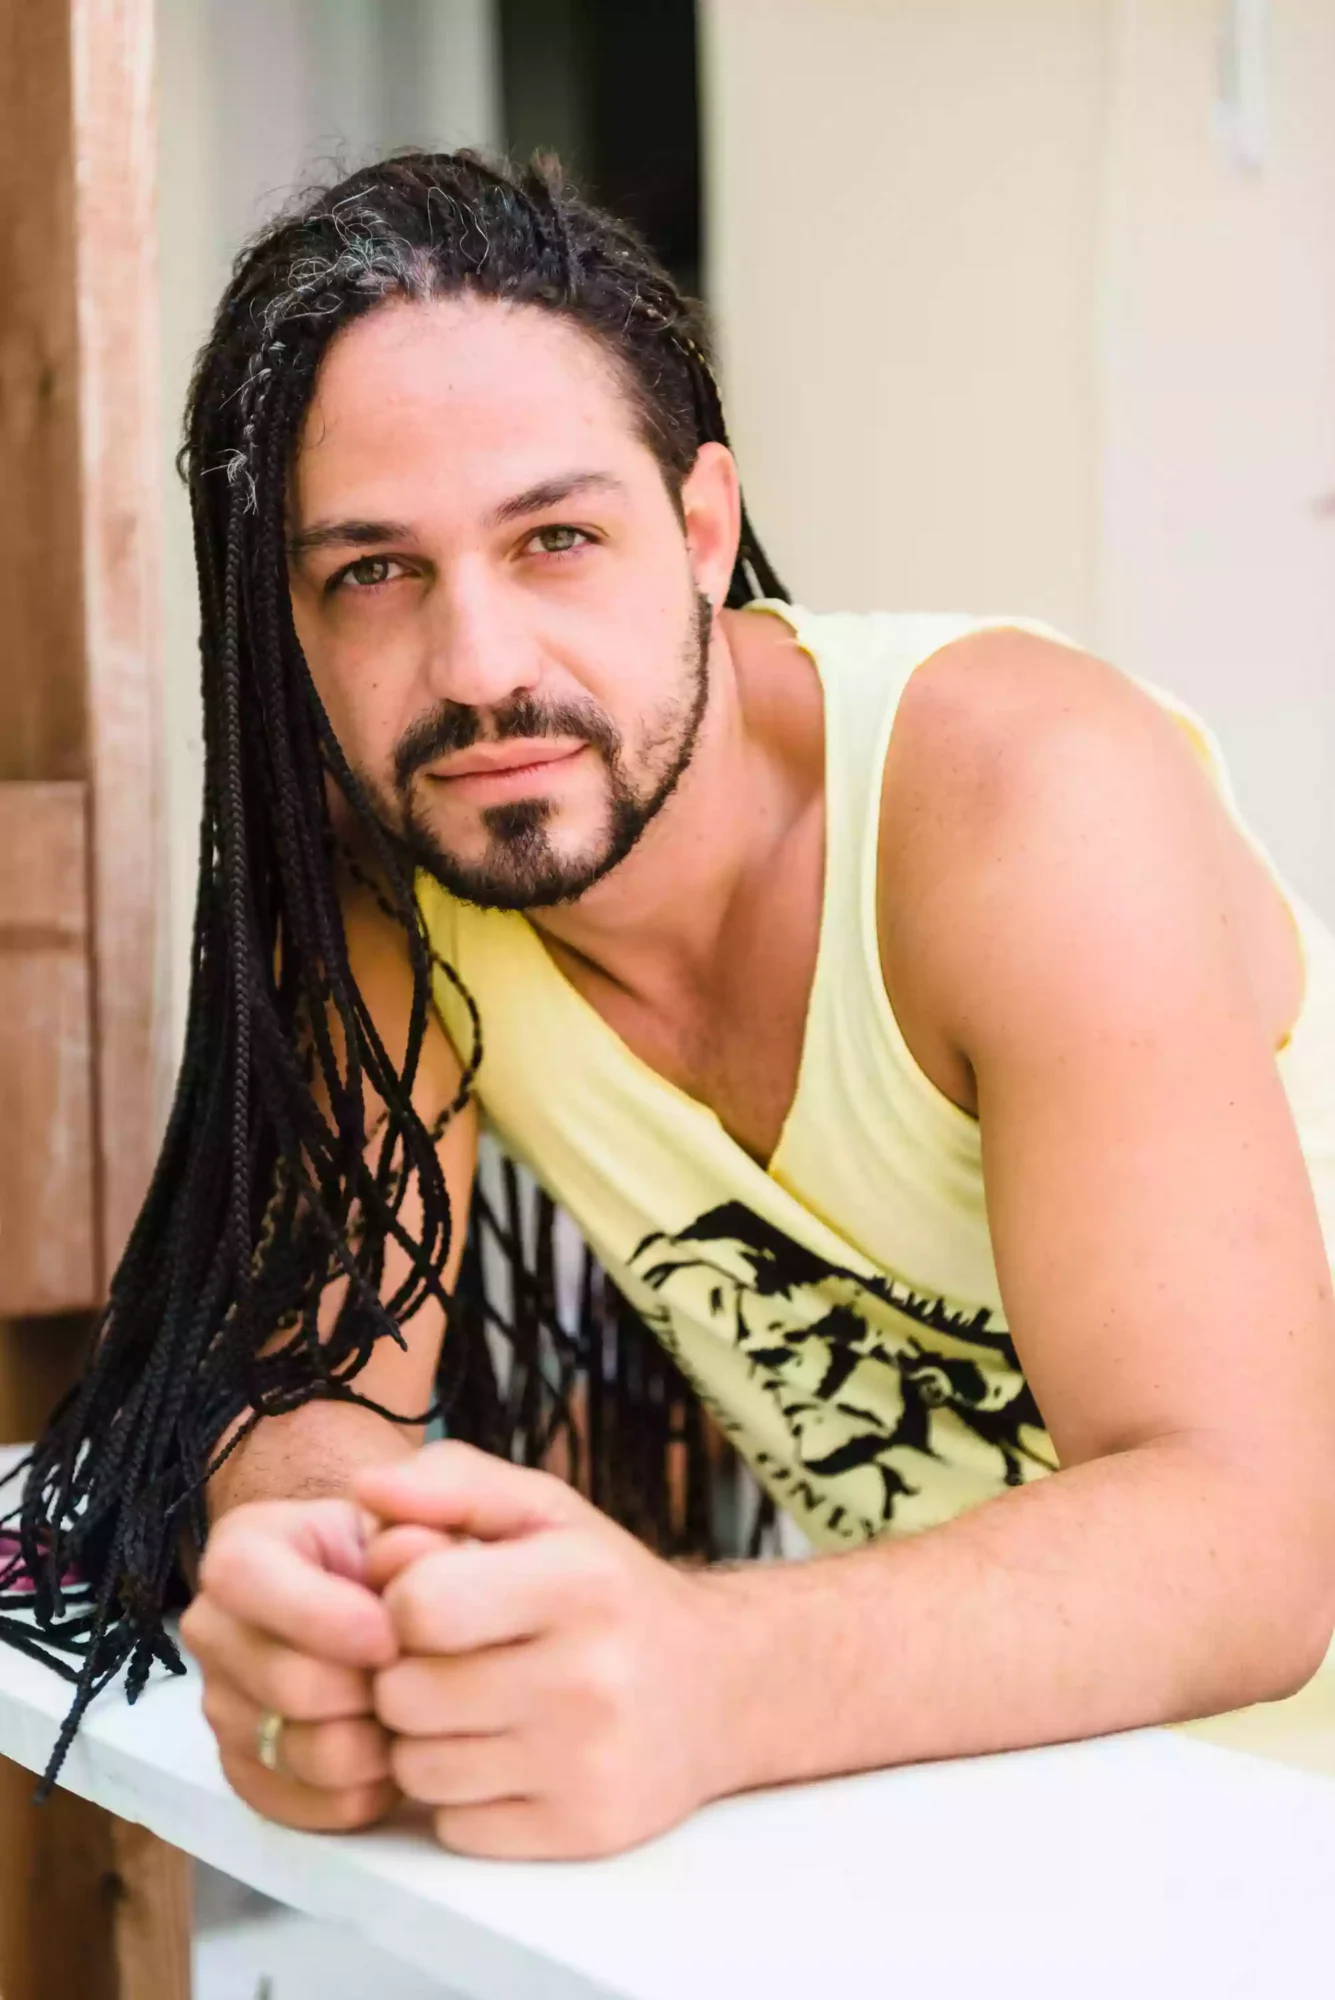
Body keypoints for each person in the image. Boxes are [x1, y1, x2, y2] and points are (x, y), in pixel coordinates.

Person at [12, 150, 1335, 1859]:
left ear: (701, 529)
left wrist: (706, 1664)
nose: (479, 663)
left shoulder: (1025, 798)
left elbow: (1254, 1541)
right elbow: (325, 1387)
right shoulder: (390, 868)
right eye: (373, 572)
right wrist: (311, 1599)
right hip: (1005, 1811)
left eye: (555, 536)